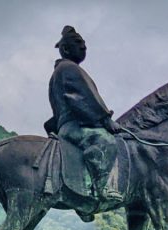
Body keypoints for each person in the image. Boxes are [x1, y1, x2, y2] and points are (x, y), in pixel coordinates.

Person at [44, 26, 122, 201]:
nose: (84, 47)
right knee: (107, 141)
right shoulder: (68, 69)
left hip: (66, 126)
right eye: (78, 43)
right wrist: (105, 119)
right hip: (73, 126)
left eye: (84, 44)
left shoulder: (61, 71)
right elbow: (82, 98)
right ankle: (102, 189)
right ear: (65, 49)